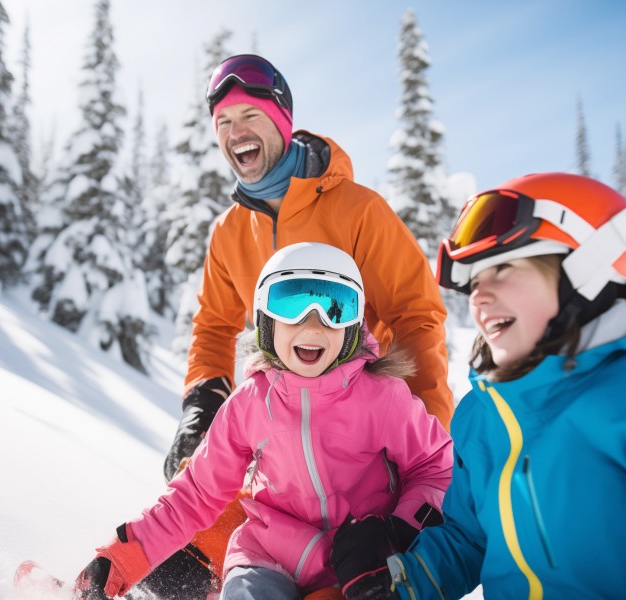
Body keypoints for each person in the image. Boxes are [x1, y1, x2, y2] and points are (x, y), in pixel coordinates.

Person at [347, 172, 626, 598]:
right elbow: (469, 537)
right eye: (473, 283)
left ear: (591, 269)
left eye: (503, 269)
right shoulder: (483, 416)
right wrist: (402, 583)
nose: (477, 297)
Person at [157, 54, 455, 593]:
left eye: (248, 116)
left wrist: (427, 428)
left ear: (282, 121)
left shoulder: (357, 210)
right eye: (223, 123)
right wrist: (202, 404)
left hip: (365, 449)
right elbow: (214, 327)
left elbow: (417, 313)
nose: (234, 133)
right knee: (200, 529)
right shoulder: (230, 232)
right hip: (285, 439)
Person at [74, 242, 453, 600]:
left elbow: (437, 467)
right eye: (290, 303)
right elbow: (196, 493)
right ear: (265, 320)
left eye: (336, 307)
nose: (314, 323)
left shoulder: (381, 397)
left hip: (355, 563)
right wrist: (120, 558)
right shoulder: (249, 403)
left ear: (353, 324)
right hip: (269, 553)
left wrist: (399, 530)